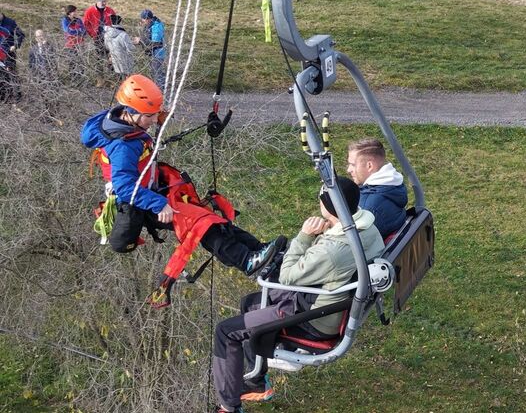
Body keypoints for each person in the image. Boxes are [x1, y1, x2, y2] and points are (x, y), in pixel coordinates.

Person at [80, 75, 285, 297]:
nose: (153, 120)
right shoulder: (123, 146)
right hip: (142, 203)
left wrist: (157, 114)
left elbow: (143, 122)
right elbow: (125, 188)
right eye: (149, 116)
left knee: (209, 217)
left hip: (153, 190)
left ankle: (258, 250)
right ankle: (247, 261)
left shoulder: (118, 118)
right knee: (202, 224)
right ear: (130, 113)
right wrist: (158, 204)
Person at [210, 177, 385, 413]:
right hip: (330, 303)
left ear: (330, 207)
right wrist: (327, 232)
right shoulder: (368, 228)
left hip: (312, 319)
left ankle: (228, 406)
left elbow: (288, 276)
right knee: (250, 303)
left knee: (226, 331)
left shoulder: (332, 251)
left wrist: (305, 235)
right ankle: (255, 379)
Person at [346, 138, 408, 240]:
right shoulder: (393, 186)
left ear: (369, 166)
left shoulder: (368, 209)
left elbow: (353, 244)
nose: (349, 170)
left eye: (353, 165)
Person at [133, 9, 166, 86]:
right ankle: (154, 88)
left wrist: (140, 40)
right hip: (151, 53)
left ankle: (160, 89)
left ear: (148, 19)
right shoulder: (149, 25)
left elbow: (155, 42)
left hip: (157, 54)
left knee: (157, 73)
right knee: (152, 73)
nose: (142, 21)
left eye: (143, 19)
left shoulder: (156, 26)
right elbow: (147, 38)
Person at [0, 10, 25, 101]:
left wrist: (15, 45)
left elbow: (21, 35)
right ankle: (4, 98)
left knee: (12, 74)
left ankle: (18, 97)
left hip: (9, 53)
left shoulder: (10, 22)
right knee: (1, 76)